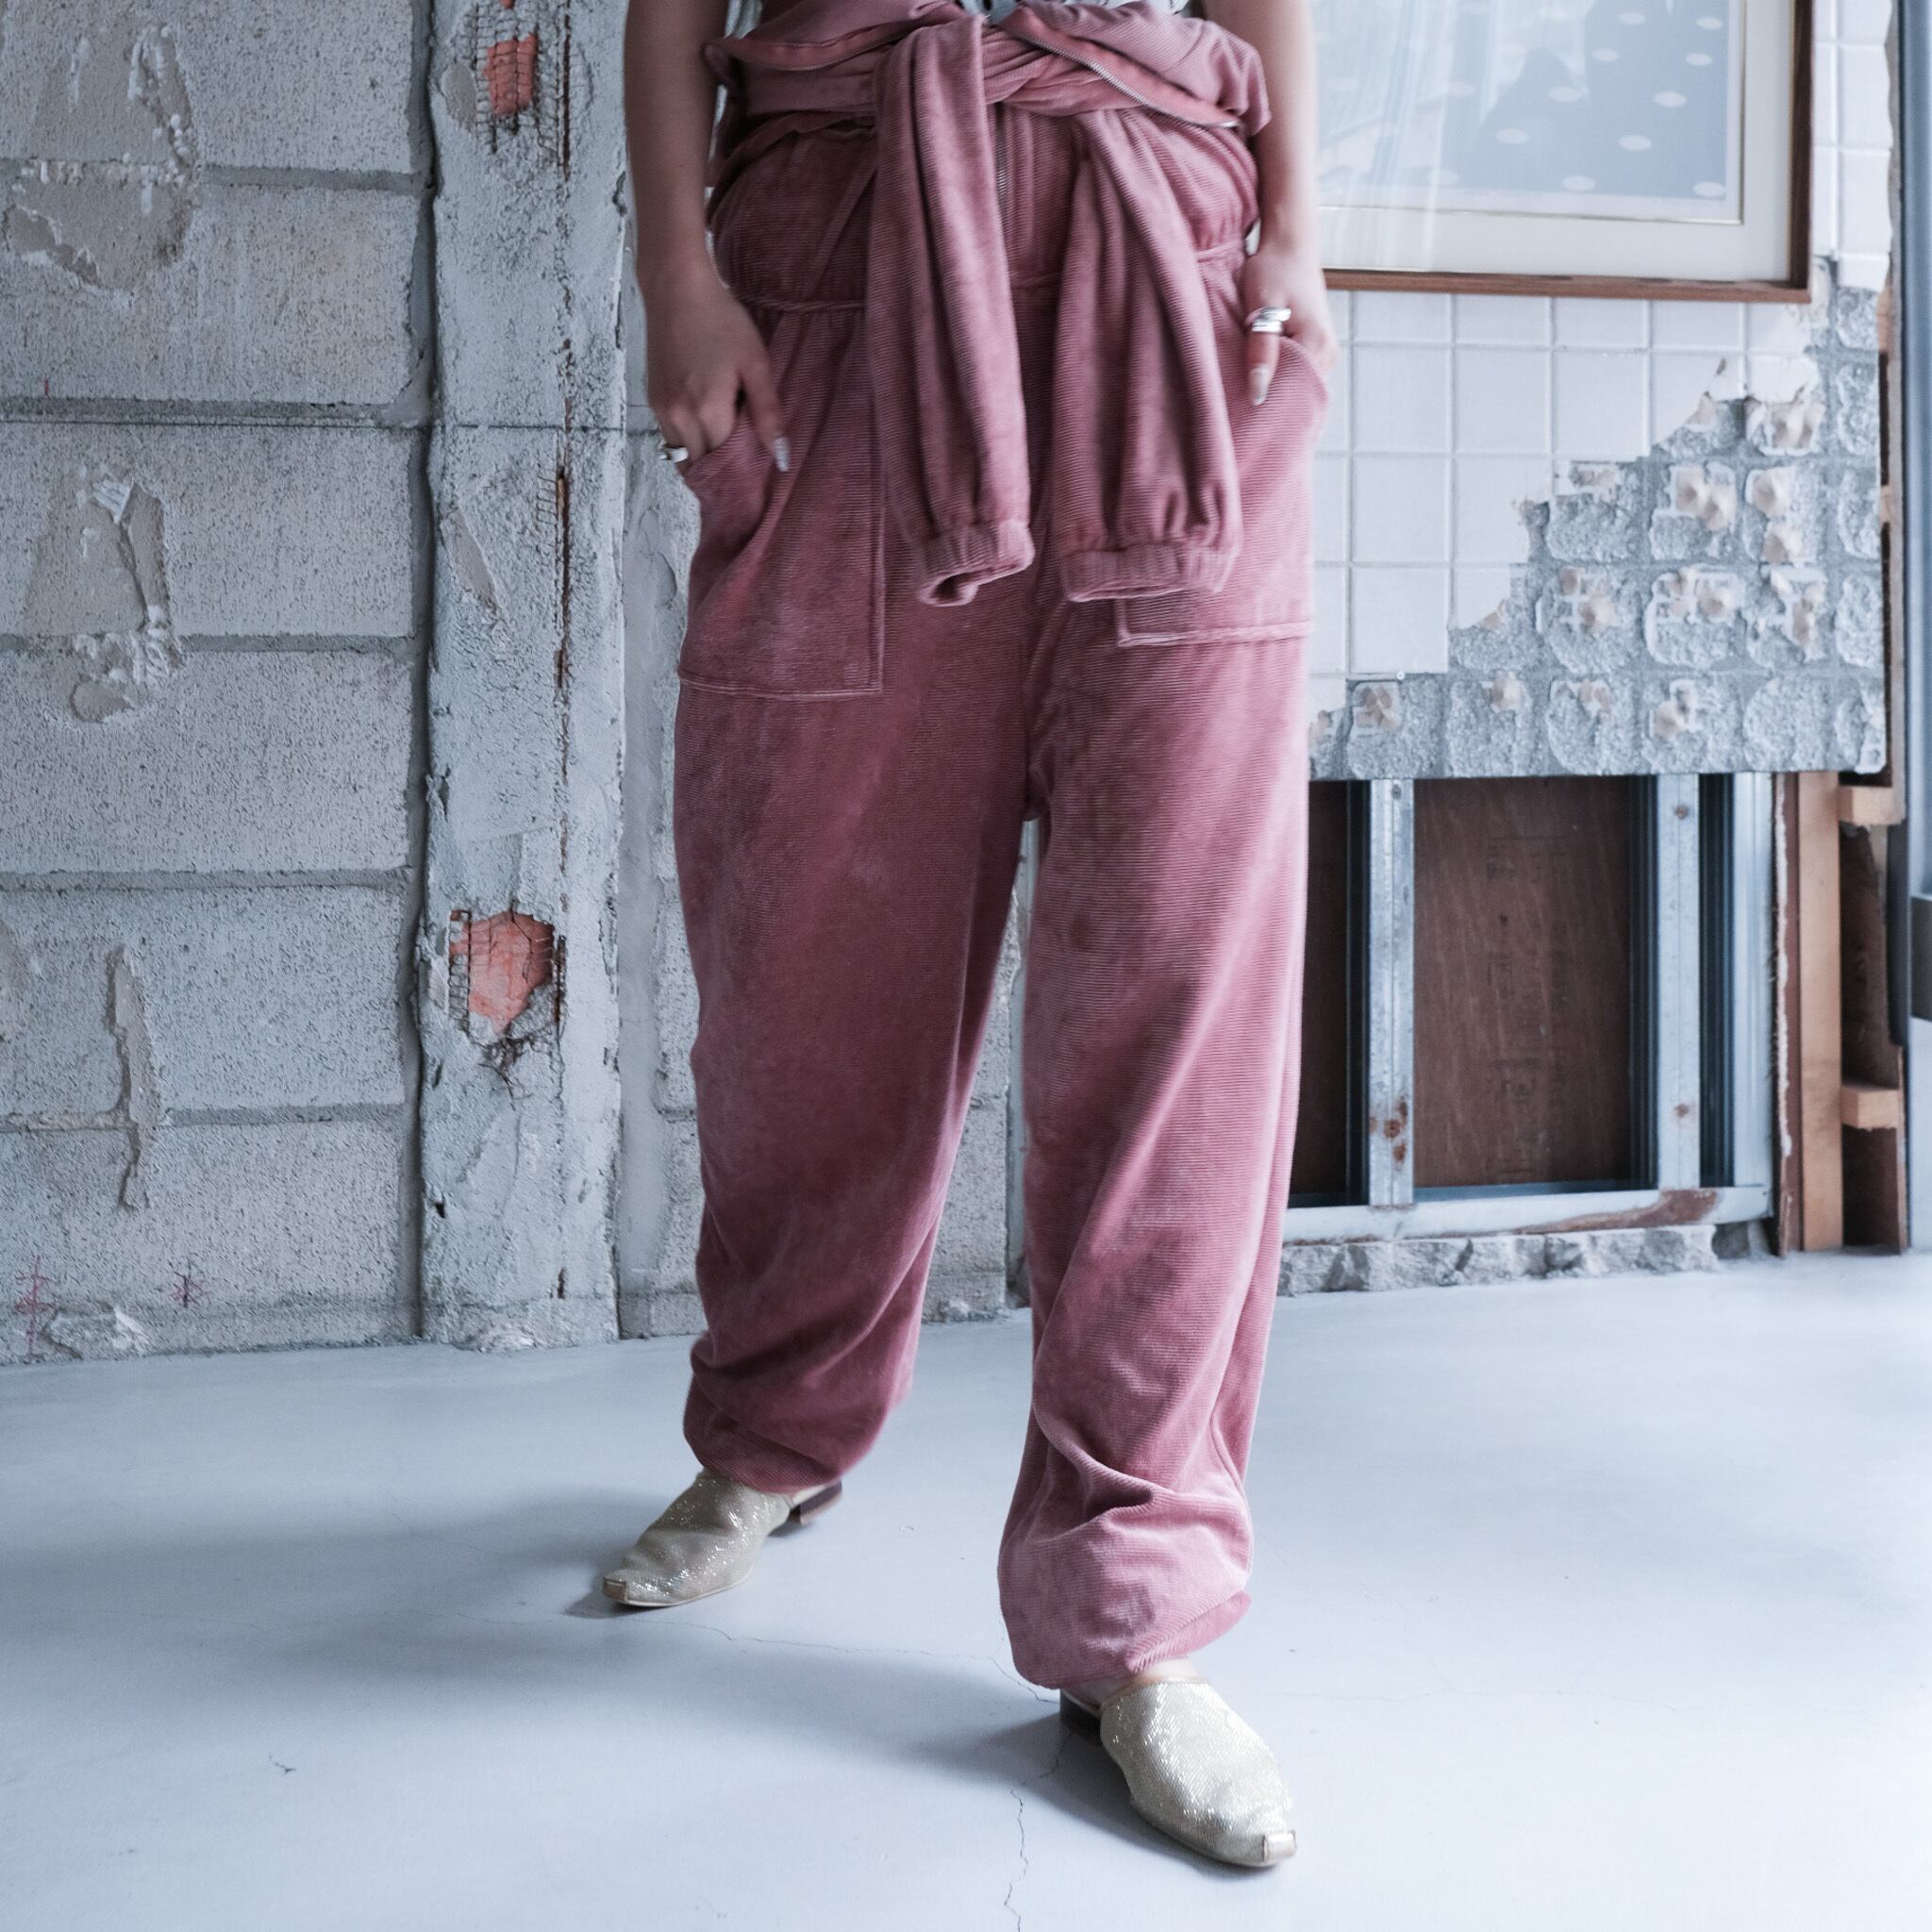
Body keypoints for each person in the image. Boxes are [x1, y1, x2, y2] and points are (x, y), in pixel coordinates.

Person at [611, 0, 1336, 1870]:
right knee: (803, 954)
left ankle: (1135, 1604)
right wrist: (677, 272)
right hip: (840, 268)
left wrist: (1293, 230)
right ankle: (774, 1429)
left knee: (1179, 982)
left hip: (1169, 275)